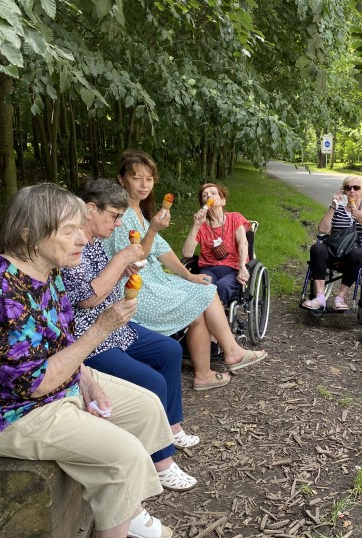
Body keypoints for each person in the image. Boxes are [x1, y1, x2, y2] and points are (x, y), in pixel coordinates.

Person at [0, 184, 177, 538]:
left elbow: (59, 345)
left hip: (55, 383)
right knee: (125, 455)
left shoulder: (45, 269)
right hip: (5, 413)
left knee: (145, 407)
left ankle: (124, 507)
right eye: (69, 230)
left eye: (80, 227)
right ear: (28, 234)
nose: (82, 238)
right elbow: (32, 384)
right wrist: (101, 330)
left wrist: (84, 376)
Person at [61, 178, 199, 491]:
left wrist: (121, 271)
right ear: (90, 209)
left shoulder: (94, 237)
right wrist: (120, 260)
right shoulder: (71, 241)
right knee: (152, 381)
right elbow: (86, 297)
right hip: (90, 337)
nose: (119, 223)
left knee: (169, 351)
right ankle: (160, 462)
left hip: (115, 325)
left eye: (122, 217)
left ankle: (172, 426)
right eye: (114, 216)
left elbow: (101, 282)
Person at [102, 150, 267, 391]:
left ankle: (206, 373)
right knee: (206, 293)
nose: (144, 184)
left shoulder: (138, 210)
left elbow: (163, 250)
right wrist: (154, 230)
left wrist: (188, 275)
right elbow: (136, 257)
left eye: (149, 179)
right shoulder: (120, 213)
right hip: (134, 288)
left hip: (153, 280)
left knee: (200, 297)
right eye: (137, 178)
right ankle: (230, 353)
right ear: (121, 179)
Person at [300, 175, 362, 311]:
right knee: (317, 249)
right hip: (337, 248)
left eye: (356, 187)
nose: (352, 191)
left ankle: (340, 297)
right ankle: (320, 297)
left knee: (356, 254)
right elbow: (323, 229)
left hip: (360, 249)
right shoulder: (337, 207)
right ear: (343, 190)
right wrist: (333, 206)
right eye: (348, 187)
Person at [181, 182, 249, 306]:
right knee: (205, 286)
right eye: (205, 196)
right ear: (203, 204)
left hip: (233, 269)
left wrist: (242, 266)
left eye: (213, 193)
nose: (209, 197)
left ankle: (215, 318)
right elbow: (187, 253)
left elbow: (243, 243)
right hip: (209, 269)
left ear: (222, 201)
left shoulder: (235, 218)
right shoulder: (201, 226)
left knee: (222, 286)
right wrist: (196, 225)